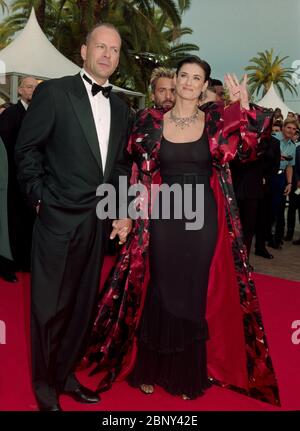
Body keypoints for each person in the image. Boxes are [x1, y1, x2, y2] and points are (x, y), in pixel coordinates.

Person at [81, 56, 280, 406]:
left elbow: (249, 150)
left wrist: (243, 106)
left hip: (202, 217)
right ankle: (150, 369)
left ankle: (187, 372)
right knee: (158, 287)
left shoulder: (217, 120)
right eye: (184, 75)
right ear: (175, 80)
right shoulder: (150, 120)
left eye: (196, 77)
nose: (189, 82)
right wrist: (126, 214)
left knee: (192, 290)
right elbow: (138, 174)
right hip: (164, 215)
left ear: (204, 85)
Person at [15, 23, 132, 411]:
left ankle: (65, 374)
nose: (107, 55)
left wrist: (119, 211)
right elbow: (27, 150)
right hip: (56, 219)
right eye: (101, 47)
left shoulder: (120, 107)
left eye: (114, 50)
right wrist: (40, 200)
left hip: (96, 224)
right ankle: (44, 386)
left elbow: (117, 167)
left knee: (81, 308)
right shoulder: (55, 92)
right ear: (84, 51)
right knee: (49, 308)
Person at [0, 77, 38, 282]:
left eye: (35, 87)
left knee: (28, 222)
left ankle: (25, 261)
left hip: (31, 180)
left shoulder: (38, 114)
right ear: (20, 90)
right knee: (10, 223)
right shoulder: (11, 114)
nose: (32, 90)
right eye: (29, 87)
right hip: (12, 180)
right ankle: (8, 265)